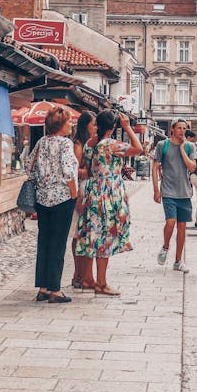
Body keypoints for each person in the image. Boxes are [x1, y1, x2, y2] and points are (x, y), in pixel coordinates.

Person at [75, 110, 143, 296]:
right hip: (109, 193)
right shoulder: (111, 145)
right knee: (105, 236)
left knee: (92, 235)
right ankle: (102, 283)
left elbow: (87, 169)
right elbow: (139, 149)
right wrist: (128, 128)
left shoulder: (90, 144)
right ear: (113, 127)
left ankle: (88, 278)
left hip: (92, 191)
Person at [26, 105, 79, 303]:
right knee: (58, 243)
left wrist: (41, 183)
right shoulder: (65, 144)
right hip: (62, 198)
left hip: (42, 198)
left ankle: (43, 287)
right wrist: (73, 194)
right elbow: (68, 171)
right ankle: (55, 290)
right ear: (60, 125)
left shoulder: (41, 141)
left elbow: (28, 166)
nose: (71, 125)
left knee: (44, 242)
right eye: (68, 122)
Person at [152, 120, 196, 272]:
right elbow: (155, 166)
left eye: (184, 128)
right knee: (170, 222)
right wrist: (156, 190)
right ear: (172, 129)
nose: (182, 131)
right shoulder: (162, 145)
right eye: (179, 128)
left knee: (182, 227)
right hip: (168, 191)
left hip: (184, 192)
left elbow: (192, 167)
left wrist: (183, 150)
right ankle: (165, 247)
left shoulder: (190, 146)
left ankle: (178, 261)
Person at [70, 111, 97, 289]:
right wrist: (90, 171)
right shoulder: (78, 144)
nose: (95, 127)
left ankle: (80, 275)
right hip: (81, 189)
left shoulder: (90, 143)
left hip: (88, 189)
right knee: (79, 233)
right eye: (93, 124)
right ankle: (78, 274)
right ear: (85, 125)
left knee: (83, 233)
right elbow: (74, 170)